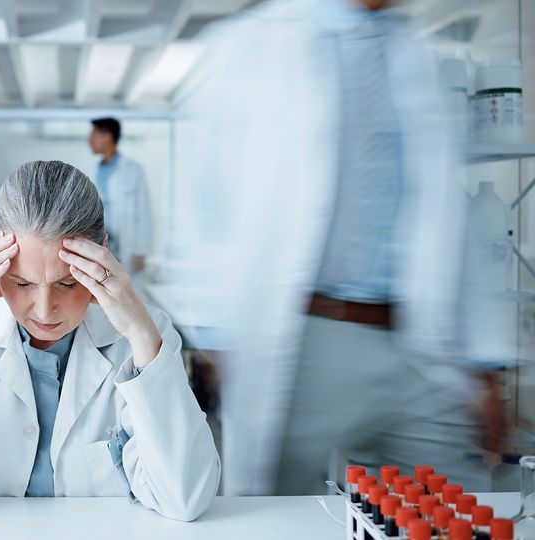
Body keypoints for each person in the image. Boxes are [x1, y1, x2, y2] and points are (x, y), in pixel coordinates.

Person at [170, 0, 505, 495]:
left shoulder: (415, 55)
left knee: (456, 507)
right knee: (281, 518)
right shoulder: (252, 46)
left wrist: (484, 363)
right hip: (307, 340)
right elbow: (205, 199)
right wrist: (216, 336)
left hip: (418, 341)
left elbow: (448, 216)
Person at [0, 160, 219, 521]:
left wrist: (143, 339)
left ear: (102, 255)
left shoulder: (143, 336)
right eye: (21, 284)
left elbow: (184, 498)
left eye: (68, 283)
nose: (45, 309)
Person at [88, 118, 152, 275]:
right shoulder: (94, 170)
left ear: (107, 137)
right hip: (102, 242)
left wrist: (141, 251)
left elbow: (144, 212)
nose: (90, 141)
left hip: (127, 246)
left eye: (93, 135)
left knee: (125, 287)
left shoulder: (133, 170)